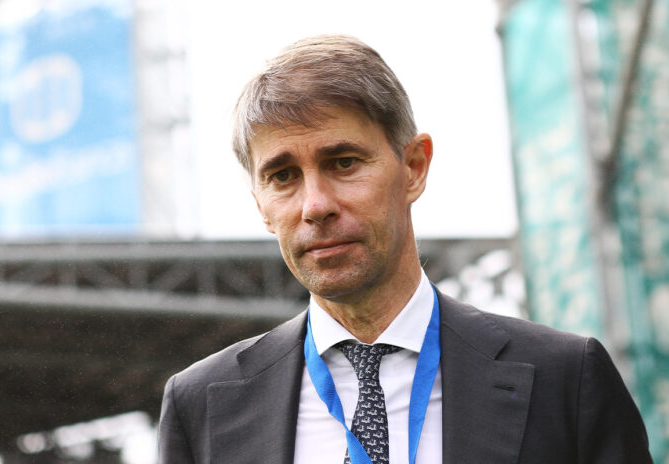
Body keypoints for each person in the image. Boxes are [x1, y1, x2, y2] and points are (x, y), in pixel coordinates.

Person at [158, 35, 652, 463]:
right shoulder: (199, 406)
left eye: (344, 162)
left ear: (414, 167)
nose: (315, 205)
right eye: (283, 176)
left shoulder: (564, 380)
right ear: (261, 207)